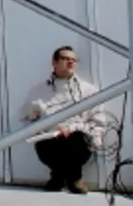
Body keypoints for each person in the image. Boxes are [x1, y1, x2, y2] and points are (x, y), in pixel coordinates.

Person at [19, 46, 108, 194]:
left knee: (77, 139)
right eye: (66, 59)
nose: (71, 63)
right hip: (51, 140)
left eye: (74, 60)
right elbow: (27, 119)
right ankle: (57, 177)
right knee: (45, 142)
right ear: (54, 62)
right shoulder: (39, 91)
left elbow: (98, 121)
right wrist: (42, 130)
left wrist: (74, 129)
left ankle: (75, 179)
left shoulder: (88, 90)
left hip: (78, 138)